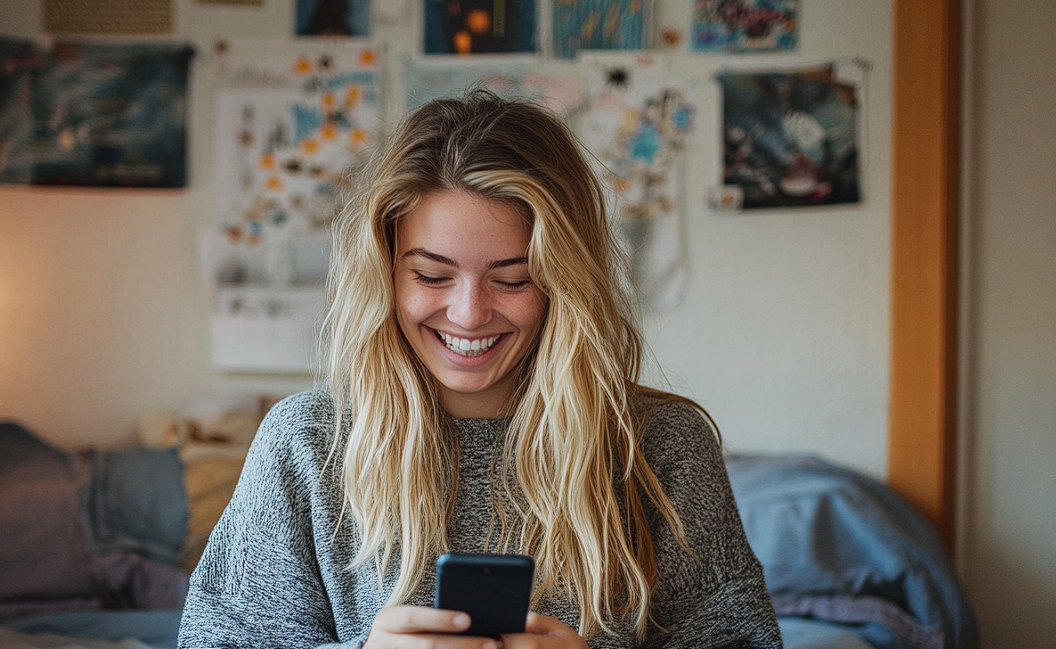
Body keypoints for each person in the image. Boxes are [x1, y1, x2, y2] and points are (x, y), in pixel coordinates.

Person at [178, 90, 782, 649]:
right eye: (432, 275)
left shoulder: (660, 447)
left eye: (512, 278)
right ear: (386, 272)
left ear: (562, 283)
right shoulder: (306, 444)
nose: (468, 314)